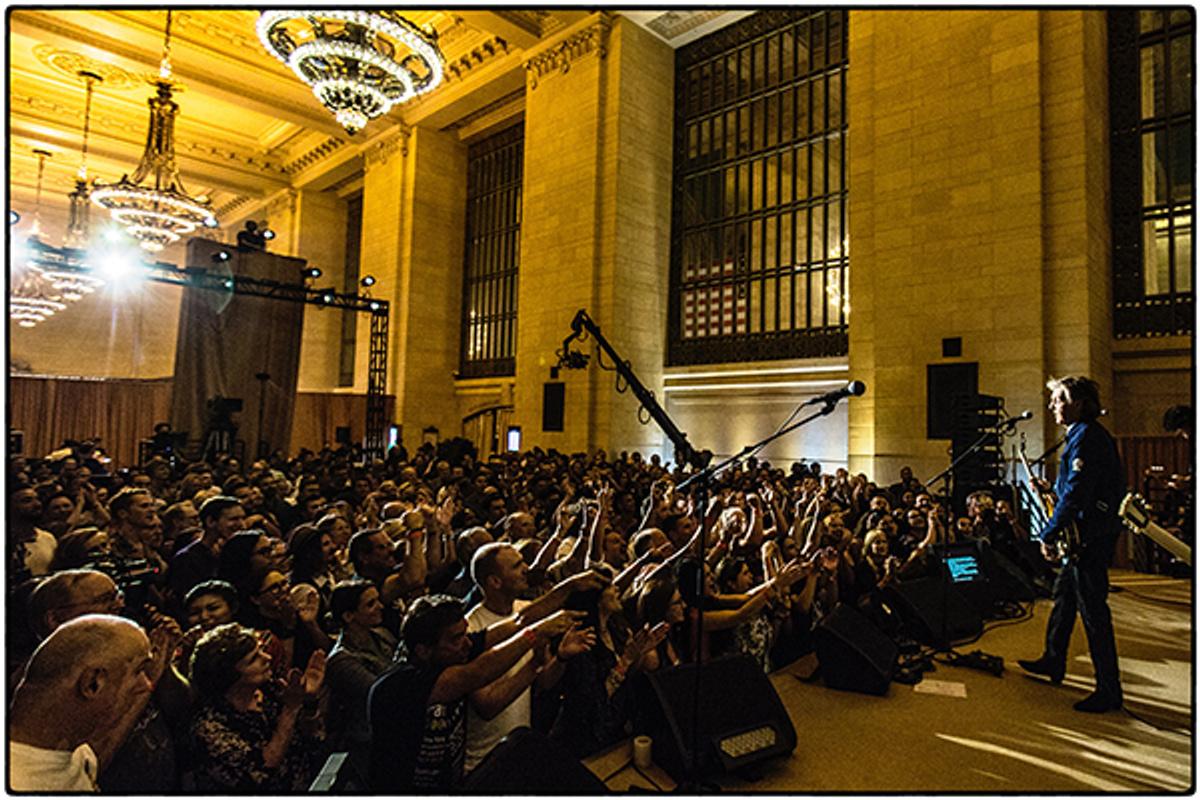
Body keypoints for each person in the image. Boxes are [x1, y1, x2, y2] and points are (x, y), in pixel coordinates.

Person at [366, 595, 582, 792]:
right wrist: (536, 633)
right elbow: (478, 673)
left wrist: (570, 589)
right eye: (456, 638)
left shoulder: (453, 652)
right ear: (423, 650)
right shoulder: (400, 685)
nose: (468, 643)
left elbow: (518, 622)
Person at [1018, 376, 1126, 713]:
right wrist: (1051, 488)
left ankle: (1109, 690)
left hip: (1089, 539)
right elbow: (1075, 488)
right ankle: (1053, 660)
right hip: (1086, 534)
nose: (1052, 407)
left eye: (1057, 400)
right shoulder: (1081, 435)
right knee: (1063, 597)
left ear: (1078, 403)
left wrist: (1048, 532)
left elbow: (1079, 494)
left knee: (1093, 612)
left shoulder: (1087, 438)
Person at [9, 614, 155, 791]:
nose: (146, 685)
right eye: (138, 671)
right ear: (92, 683)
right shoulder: (17, 782)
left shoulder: (75, 751)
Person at [188, 623, 326, 791]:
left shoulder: (271, 688)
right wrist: (290, 710)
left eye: (261, 650)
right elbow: (261, 774)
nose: (267, 658)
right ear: (229, 677)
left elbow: (312, 740)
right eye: (254, 659)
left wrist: (309, 700)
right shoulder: (210, 727)